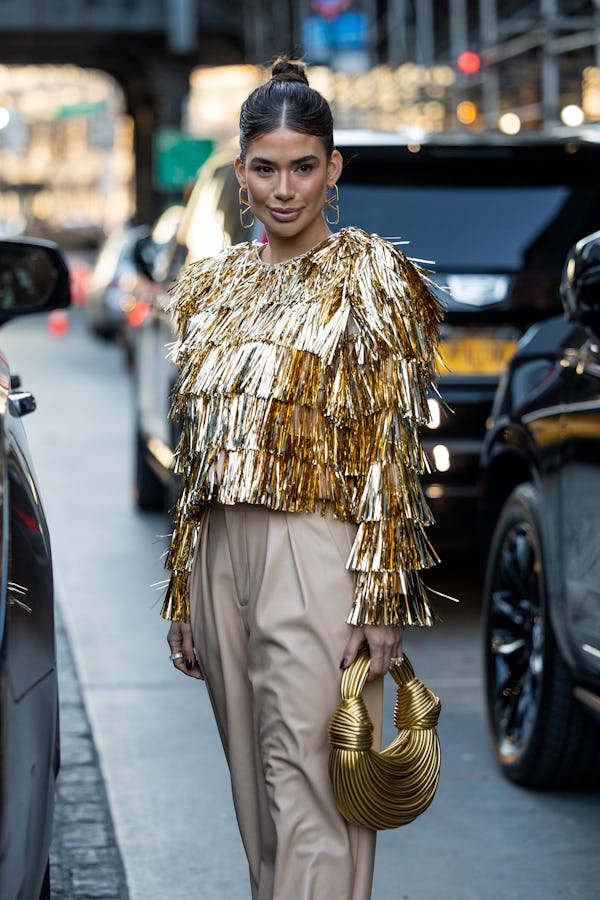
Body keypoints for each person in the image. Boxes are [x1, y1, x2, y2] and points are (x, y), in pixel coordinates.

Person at [164, 57, 443, 900]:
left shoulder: (371, 277)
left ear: (334, 169)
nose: (284, 189)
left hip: (315, 549)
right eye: (265, 168)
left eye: (303, 166)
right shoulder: (210, 286)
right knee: (257, 800)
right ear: (240, 172)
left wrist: (383, 599)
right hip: (219, 551)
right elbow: (197, 451)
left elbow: (389, 446)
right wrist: (183, 588)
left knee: (312, 793)